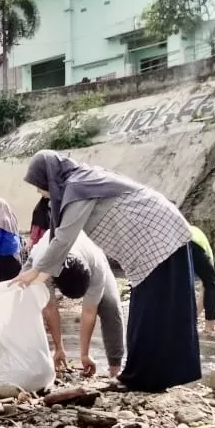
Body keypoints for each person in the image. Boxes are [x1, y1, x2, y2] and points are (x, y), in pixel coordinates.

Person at [13, 150, 200, 393]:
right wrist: (30, 273)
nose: (41, 193)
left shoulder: (79, 188)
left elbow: (62, 240)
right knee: (149, 308)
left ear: (49, 178)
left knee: (155, 308)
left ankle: (145, 378)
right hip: (148, 243)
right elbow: (56, 244)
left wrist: (35, 272)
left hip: (159, 234)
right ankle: (144, 376)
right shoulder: (81, 183)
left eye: (40, 186)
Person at [24, 232, 125, 378]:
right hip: (40, 262)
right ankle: (30, 365)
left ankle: (115, 370)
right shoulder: (43, 266)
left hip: (91, 254)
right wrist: (59, 348)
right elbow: (50, 307)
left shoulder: (96, 266)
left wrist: (85, 354)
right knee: (22, 301)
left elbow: (89, 312)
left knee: (111, 305)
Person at [189, 225, 215, 335]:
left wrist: (193, 318)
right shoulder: (208, 255)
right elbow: (207, 288)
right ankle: (209, 327)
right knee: (211, 284)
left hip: (174, 242)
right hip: (194, 243)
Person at [0, 198, 22, 282]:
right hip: (15, 248)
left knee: (0, 277)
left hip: (5, 250)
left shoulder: (1, 220)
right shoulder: (12, 217)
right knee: (15, 274)